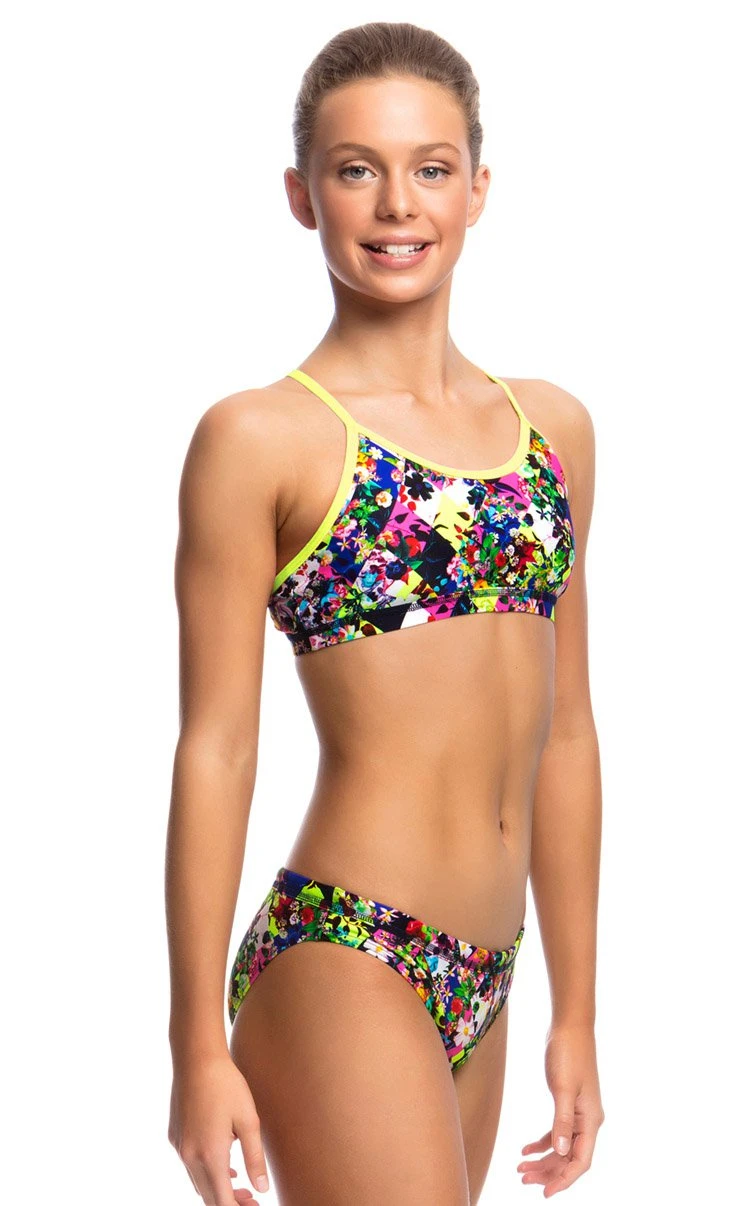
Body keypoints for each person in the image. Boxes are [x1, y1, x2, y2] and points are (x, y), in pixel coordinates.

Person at [165, 20, 604, 1206]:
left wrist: (574, 1012)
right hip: (345, 950)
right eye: (356, 168)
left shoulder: (551, 430)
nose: (397, 204)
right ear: (301, 195)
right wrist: (194, 1046)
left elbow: (563, 732)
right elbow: (216, 747)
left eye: (430, 168)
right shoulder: (261, 437)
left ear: (477, 190)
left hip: (489, 970)